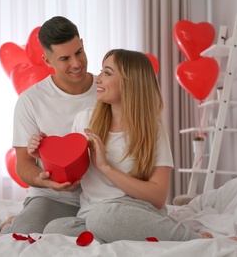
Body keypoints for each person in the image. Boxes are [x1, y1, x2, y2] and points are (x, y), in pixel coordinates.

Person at [29, 49, 213, 243]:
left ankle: (191, 238)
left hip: (130, 212)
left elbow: (158, 197)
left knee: (104, 218)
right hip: (90, 216)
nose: (97, 79)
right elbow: (72, 180)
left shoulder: (153, 130)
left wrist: (106, 168)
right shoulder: (85, 119)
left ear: (130, 82)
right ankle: (121, 235)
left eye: (107, 73)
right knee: (54, 228)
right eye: (101, 71)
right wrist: (47, 156)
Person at [0, 16, 97, 234]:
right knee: (23, 234)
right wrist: (45, 181)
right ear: (47, 61)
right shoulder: (31, 100)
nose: (76, 63)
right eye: (65, 58)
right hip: (53, 197)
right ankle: (21, 219)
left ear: (82, 43)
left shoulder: (108, 91)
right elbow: (24, 163)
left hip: (102, 197)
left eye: (79, 52)